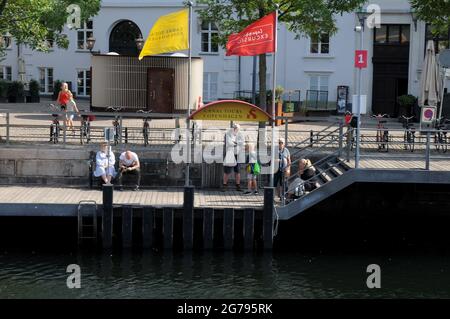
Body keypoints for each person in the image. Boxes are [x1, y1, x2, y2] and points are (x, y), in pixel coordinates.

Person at [222, 123, 244, 192]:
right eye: (235, 128)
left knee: (237, 171)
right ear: (233, 128)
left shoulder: (240, 134)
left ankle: (238, 185)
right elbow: (229, 143)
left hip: (238, 154)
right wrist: (236, 143)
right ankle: (224, 185)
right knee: (227, 171)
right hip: (230, 153)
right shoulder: (228, 133)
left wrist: (235, 142)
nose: (236, 130)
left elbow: (242, 142)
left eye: (237, 129)